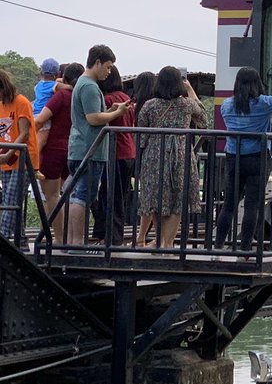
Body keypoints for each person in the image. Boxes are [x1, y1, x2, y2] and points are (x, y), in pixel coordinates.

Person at [214, 67, 272, 251]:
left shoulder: (226, 105)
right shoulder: (263, 104)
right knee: (252, 206)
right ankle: (245, 248)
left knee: (228, 205)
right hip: (257, 158)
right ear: (257, 83)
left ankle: (217, 245)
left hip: (233, 158)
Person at [66, 45, 133, 246]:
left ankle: (72, 242)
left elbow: (93, 114)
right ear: (97, 62)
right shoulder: (89, 86)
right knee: (83, 197)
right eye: (108, 66)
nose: (109, 71)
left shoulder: (83, 84)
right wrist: (116, 113)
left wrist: (110, 109)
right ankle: (78, 243)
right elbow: (94, 118)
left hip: (81, 148)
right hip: (89, 150)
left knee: (78, 195)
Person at [135, 66, 204, 249]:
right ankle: (169, 244)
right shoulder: (187, 104)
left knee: (158, 199)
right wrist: (190, 90)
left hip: (155, 153)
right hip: (181, 153)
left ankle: (160, 241)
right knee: (177, 200)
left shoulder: (150, 105)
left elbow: (142, 134)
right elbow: (203, 120)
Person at [34, 62, 83, 244]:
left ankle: (59, 238)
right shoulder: (80, 96)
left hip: (53, 149)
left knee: (51, 196)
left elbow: (41, 120)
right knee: (62, 194)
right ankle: (51, 234)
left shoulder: (62, 96)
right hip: (71, 149)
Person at [92, 66, 136, 245]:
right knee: (118, 195)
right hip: (128, 151)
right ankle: (109, 234)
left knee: (109, 195)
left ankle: (111, 237)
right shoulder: (125, 98)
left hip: (114, 152)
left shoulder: (108, 99)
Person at [0, 69, 39, 240]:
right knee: (9, 200)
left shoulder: (21, 102)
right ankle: (21, 239)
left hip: (22, 157)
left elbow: (24, 133)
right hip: (6, 158)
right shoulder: (1, 104)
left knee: (11, 200)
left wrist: (10, 153)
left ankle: (3, 236)